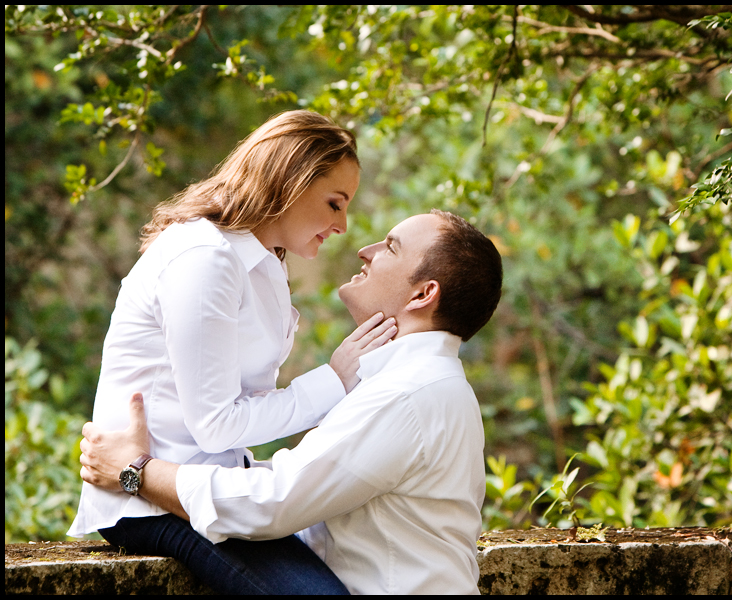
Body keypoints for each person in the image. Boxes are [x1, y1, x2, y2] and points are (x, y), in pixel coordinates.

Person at [79, 210, 504, 595]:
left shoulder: (408, 395)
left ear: (422, 294)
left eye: (390, 246)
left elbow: (274, 502)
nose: (366, 250)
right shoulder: (420, 384)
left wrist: (136, 471)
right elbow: (306, 482)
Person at [68, 110, 398, 594]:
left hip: (214, 487)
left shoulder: (262, 262)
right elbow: (216, 423)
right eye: (334, 203)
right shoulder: (205, 257)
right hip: (151, 499)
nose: (343, 225)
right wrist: (334, 380)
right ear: (290, 180)